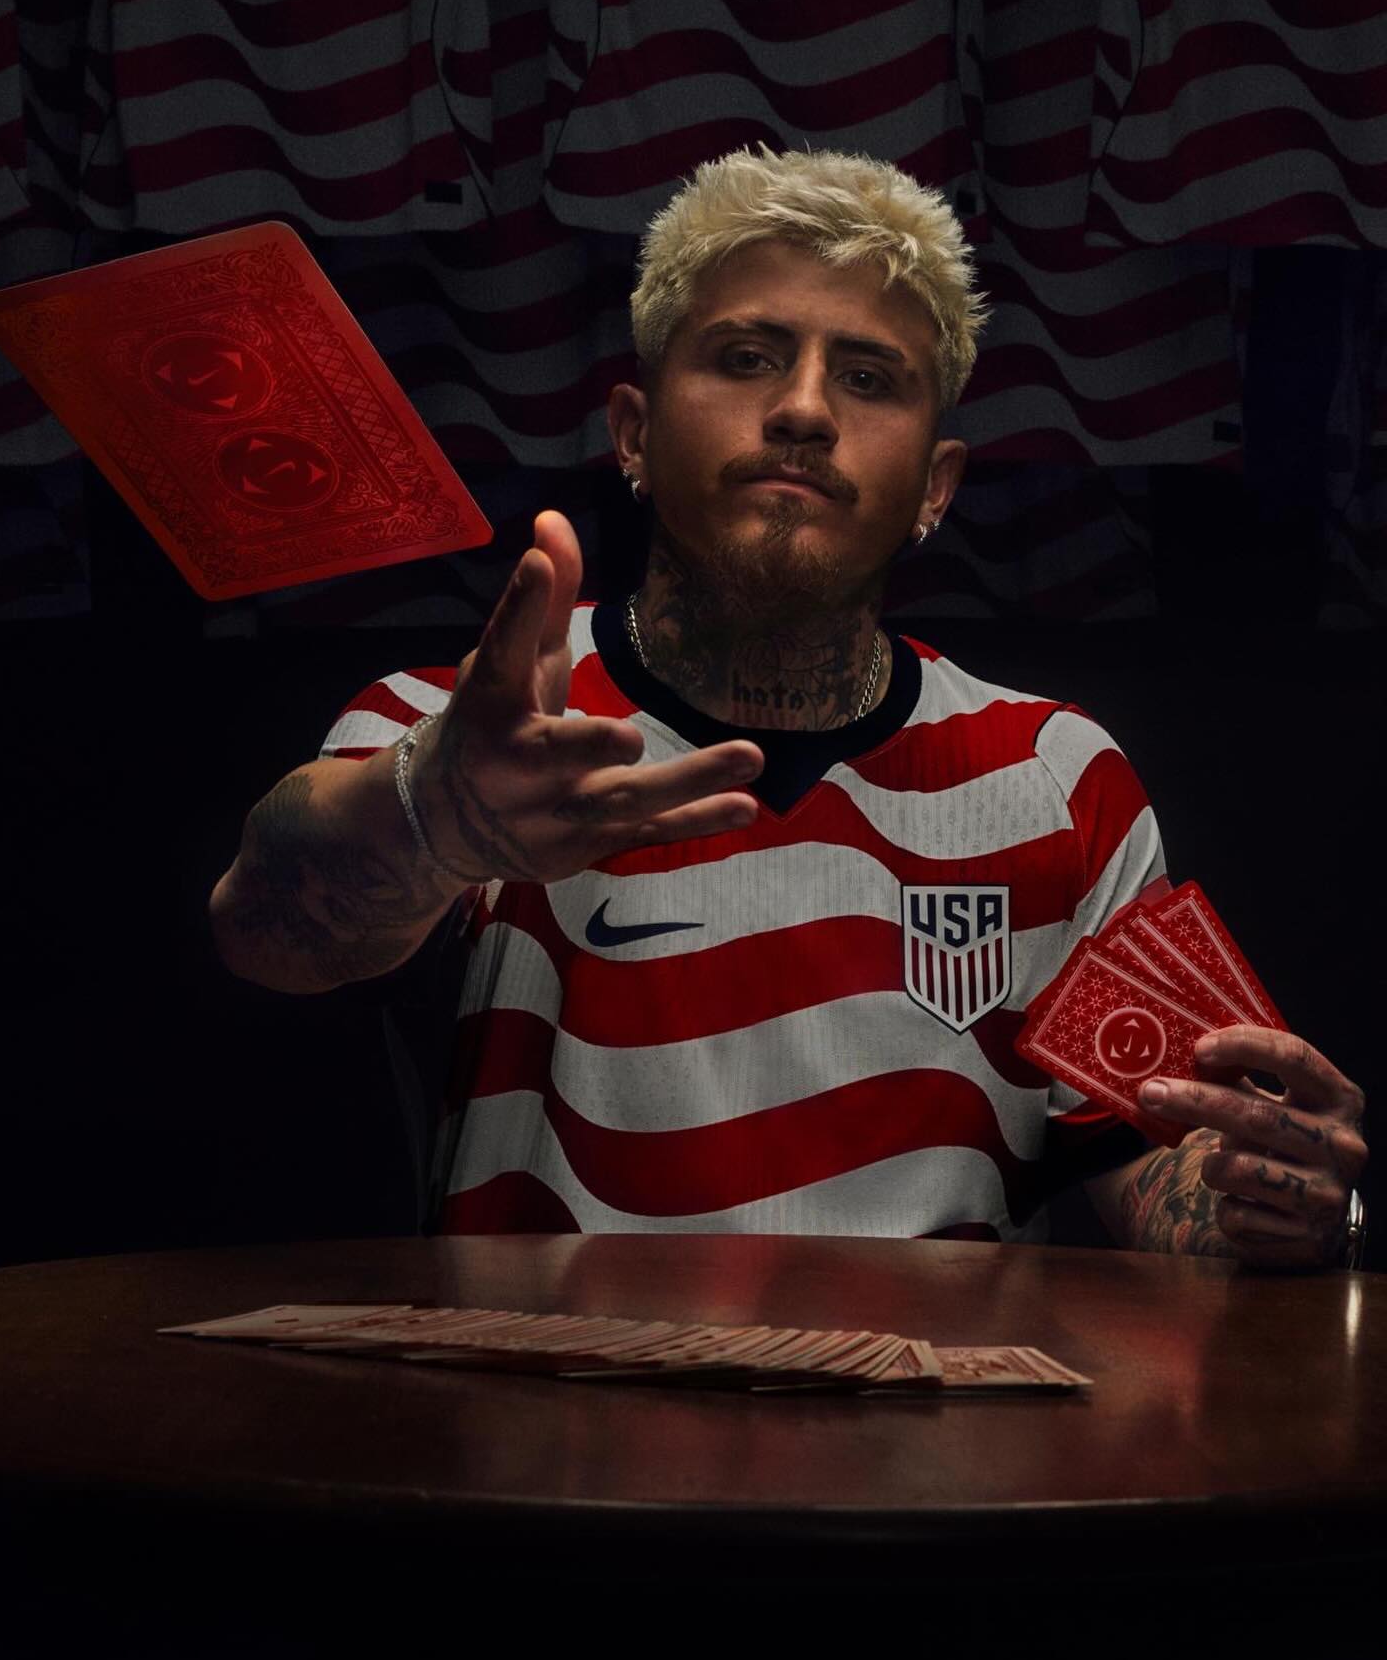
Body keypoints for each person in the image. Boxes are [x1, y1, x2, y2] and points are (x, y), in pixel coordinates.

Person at [210, 145, 1366, 1272]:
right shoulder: (463, 721)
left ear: (937, 487)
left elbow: (1169, 1156)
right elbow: (265, 931)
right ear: (633, 434)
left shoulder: (1060, 774)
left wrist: (1271, 1201)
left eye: (868, 378)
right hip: (543, 1438)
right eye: (748, 356)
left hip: (946, 1444)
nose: (805, 409)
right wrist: (434, 819)